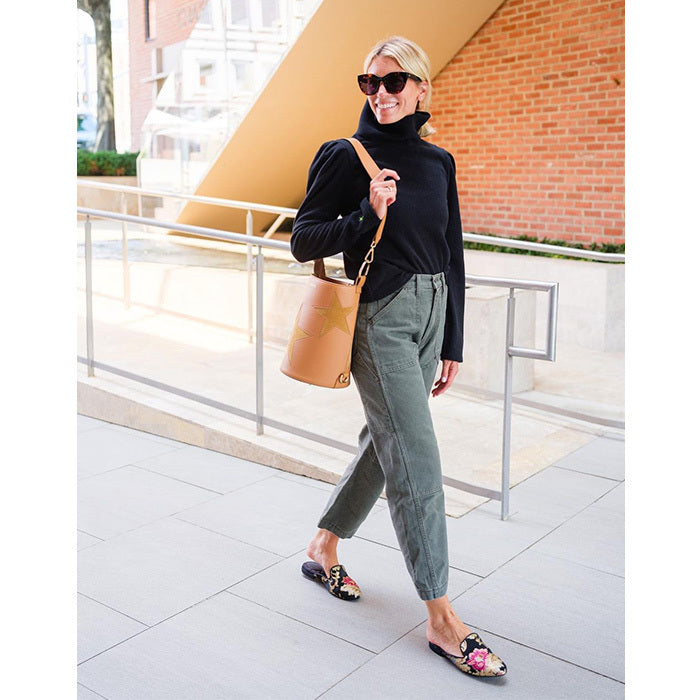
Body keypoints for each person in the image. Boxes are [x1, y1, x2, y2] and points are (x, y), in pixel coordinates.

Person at [290, 36, 507, 679]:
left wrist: (454, 341)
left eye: (393, 83)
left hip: (431, 314)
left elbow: (453, 252)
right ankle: (442, 618)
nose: (380, 95)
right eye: (370, 83)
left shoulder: (438, 163)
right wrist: (364, 212)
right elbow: (304, 241)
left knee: (386, 446)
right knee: (416, 455)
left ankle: (322, 544)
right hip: (380, 320)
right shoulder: (343, 156)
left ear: (419, 88)